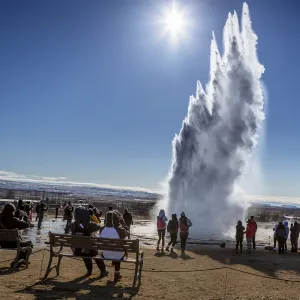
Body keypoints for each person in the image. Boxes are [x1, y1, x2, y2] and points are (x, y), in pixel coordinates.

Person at [70, 206, 108, 278]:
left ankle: (89, 271)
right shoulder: (91, 225)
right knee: (96, 253)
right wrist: (92, 216)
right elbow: (100, 226)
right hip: (90, 251)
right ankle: (103, 271)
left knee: (85, 251)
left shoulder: (73, 225)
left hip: (77, 251)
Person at [0, 203, 33, 267]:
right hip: (13, 243)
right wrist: (25, 216)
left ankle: (21, 258)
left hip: (2, 243)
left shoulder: (1, 219)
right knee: (30, 243)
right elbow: (26, 225)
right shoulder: (14, 220)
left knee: (22, 242)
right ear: (13, 211)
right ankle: (21, 259)